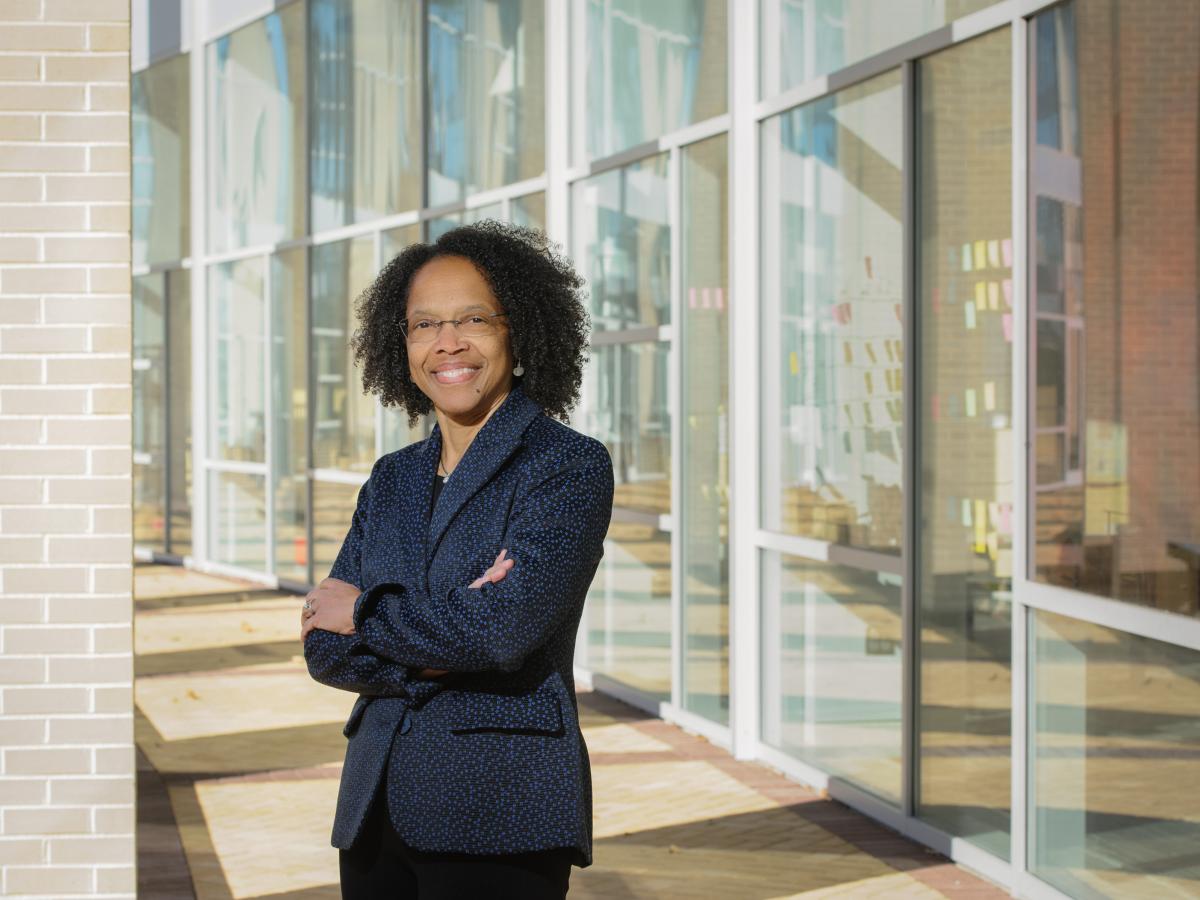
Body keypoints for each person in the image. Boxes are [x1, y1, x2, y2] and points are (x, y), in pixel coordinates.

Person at [299, 220, 613, 900]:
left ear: (519, 331)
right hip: (375, 806)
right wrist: (439, 631)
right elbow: (326, 650)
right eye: (424, 325)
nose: (448, 342)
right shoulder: (391, 479)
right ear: (400, 343)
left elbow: (501, 632)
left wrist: (362, 613)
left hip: (499, 809)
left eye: (474, 318)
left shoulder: (566, 467)